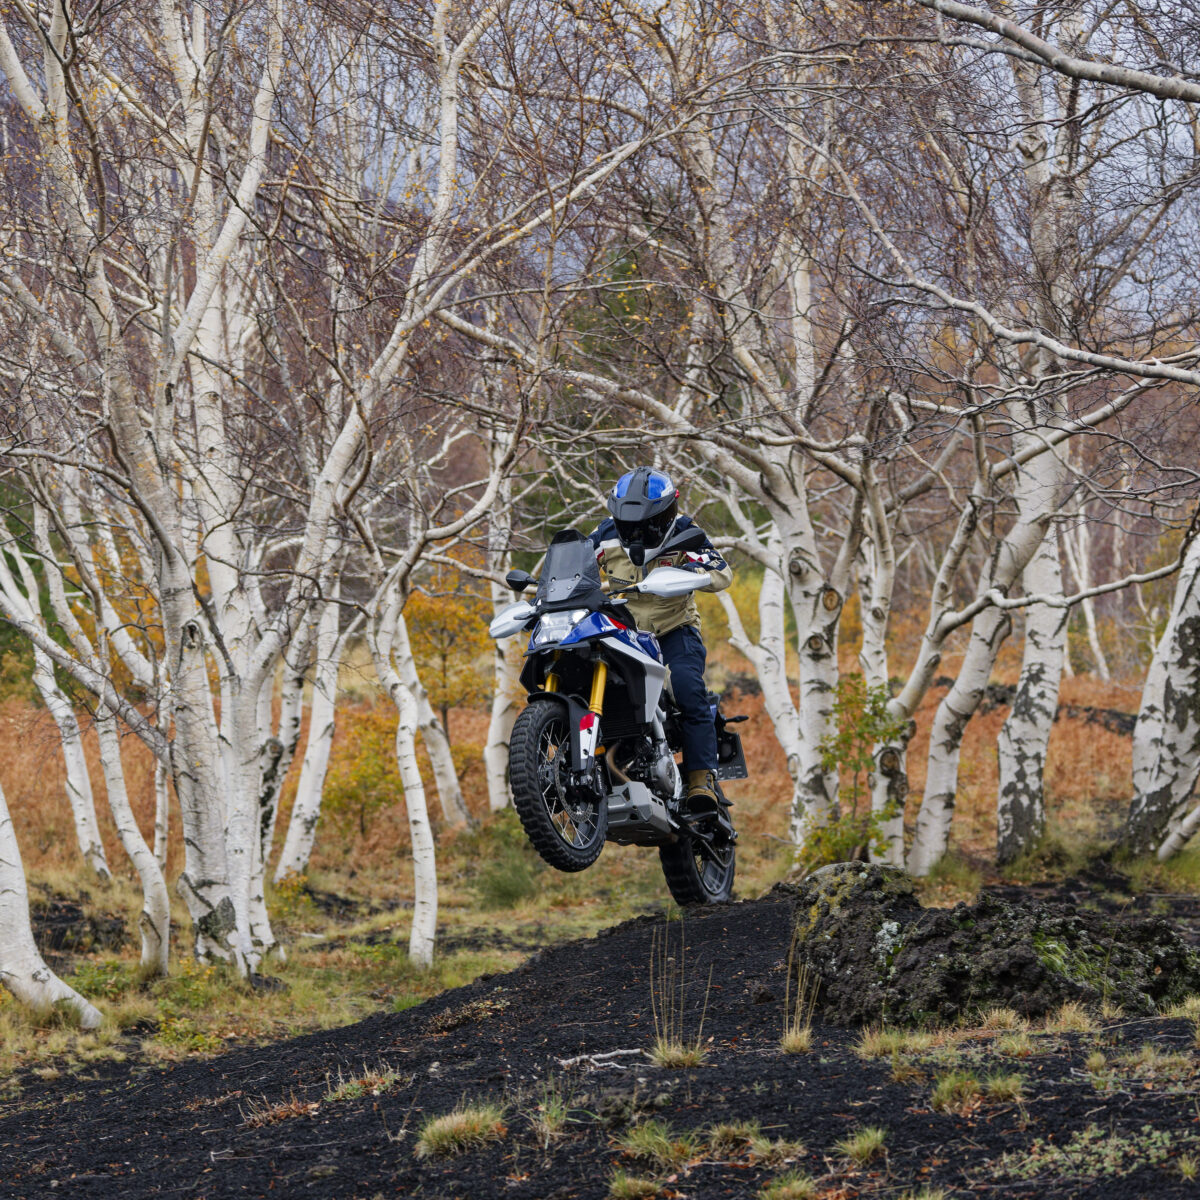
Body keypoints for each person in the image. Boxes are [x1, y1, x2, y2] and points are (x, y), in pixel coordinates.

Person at [588, 467, 733, 814]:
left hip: (674, 629)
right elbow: (573, 568)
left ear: (667, 513)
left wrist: (692, 574)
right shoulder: (604, 535)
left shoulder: (685, 532)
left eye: (648, 524)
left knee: (686, 686)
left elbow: (721, 572)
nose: (638, 532)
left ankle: (701, 780)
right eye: (630, 524)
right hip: (623, 632)